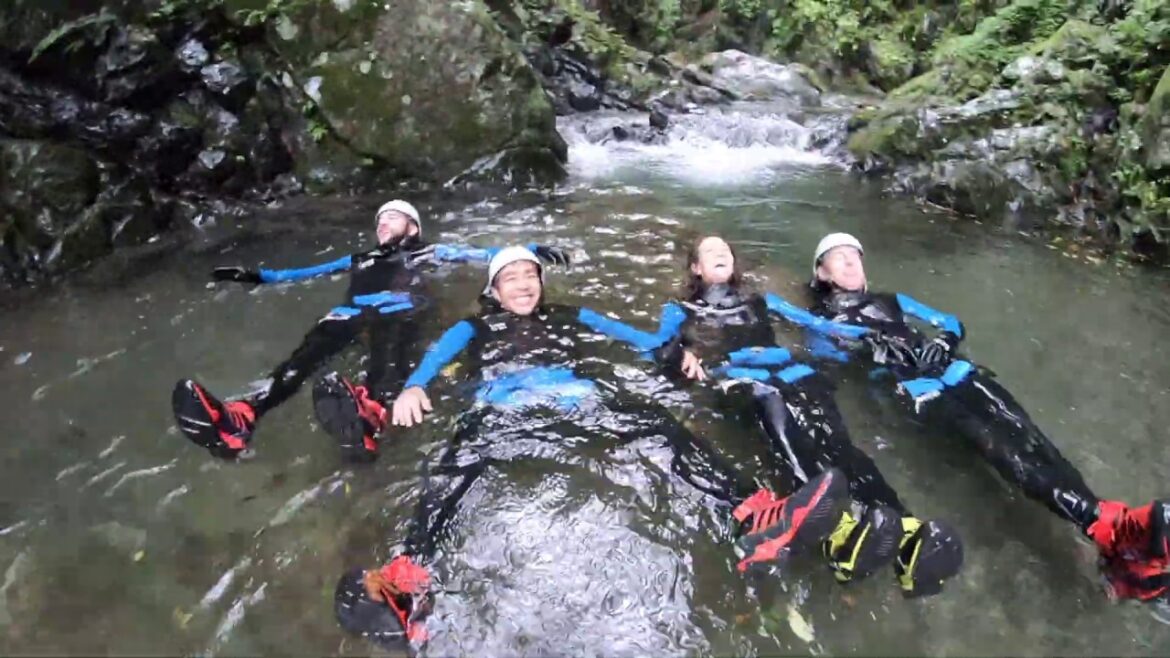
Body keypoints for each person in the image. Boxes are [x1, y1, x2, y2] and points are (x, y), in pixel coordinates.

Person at [327, 246, 853, 649]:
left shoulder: (572, 316)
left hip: (577, 403)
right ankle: (406, 580)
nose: (524, 284)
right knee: (452, 466)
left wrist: (679, 346)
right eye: (511, 278)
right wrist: (415, 386)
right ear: (494, 290)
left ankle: (757, 516)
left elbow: (639, 341)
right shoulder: (474, 325)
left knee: (659, 424)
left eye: (530, 275)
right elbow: (435, 360)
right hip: (500, 408)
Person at [774, 231, 1169, 603]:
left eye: (854, 257)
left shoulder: (893, 300)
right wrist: (863, 346)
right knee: (997, 445)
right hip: (917, 390)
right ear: (821, 273)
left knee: (1029, 437)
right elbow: (830, 362)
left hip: (958, 371)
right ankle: (1109, 531)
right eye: (837, 258)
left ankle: (1111, 527)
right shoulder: (823, 323)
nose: (849, 263)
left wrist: (945, 340)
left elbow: (949, 322)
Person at [643, 235, 962, 598]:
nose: (720, 252)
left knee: (836, 439)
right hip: (740, 379)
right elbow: (659, 346)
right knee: (779, 415)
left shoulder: (759, 299)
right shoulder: (681, 309)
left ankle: (903, 528)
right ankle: (837, 533)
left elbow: (817, 324)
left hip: (792, 372)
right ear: (696, 268)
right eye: (709, 251)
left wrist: (870, 336)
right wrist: (682, 352)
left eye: (725, 249)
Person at [170, 200, 571, 461]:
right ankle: (242, 418)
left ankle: (371, 414)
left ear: (413, 226)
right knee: (302, 359)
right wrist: (258, 277)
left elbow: (487, 256)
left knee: (389, 350)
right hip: (350, 312)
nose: (382, 227)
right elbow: (306, 272)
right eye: (378, 221)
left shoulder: (432, 252)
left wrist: (532, 249)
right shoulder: (360, 257)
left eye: (391, 219)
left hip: (401, 310)